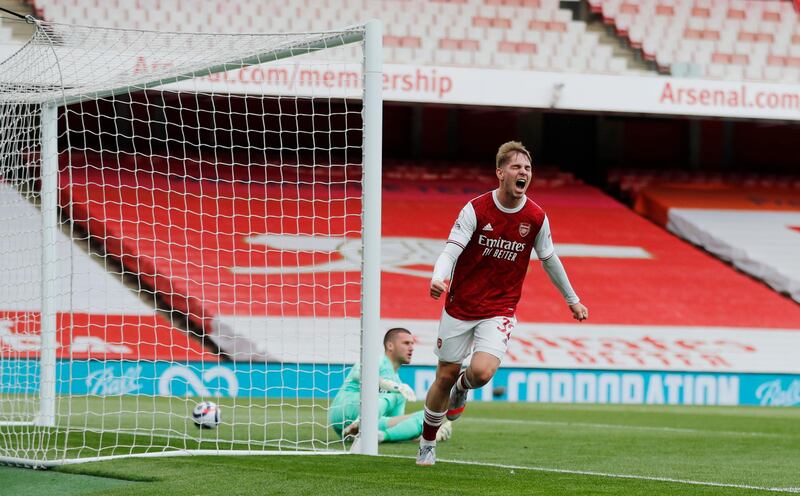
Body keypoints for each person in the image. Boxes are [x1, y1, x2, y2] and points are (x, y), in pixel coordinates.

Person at [416, 141, 588, 466]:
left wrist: (572, 300)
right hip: (460, 306)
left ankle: (463, 389)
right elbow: (451, 250)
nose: (523, 172)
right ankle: (427, 443)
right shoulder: (475, 209)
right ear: (500, 172)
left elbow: (550, 259)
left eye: (527, 168)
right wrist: (439, 276)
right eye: (516, 167)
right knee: (444, 375)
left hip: (500, 309)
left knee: (480, 373)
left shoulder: (536, 217)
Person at [329, 327, 453, 444]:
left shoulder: (399, 383)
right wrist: (390, 386)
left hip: (367, 424)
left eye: (412, 344)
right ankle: (361, 422)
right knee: (397, 395)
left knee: (428, 417)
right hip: (345, 409)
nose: (411, 348)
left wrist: (427, 431)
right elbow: (358, 374)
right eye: (406, 343)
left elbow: (394, 421)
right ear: (390, 345)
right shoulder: (377, 360)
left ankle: (380, 436)